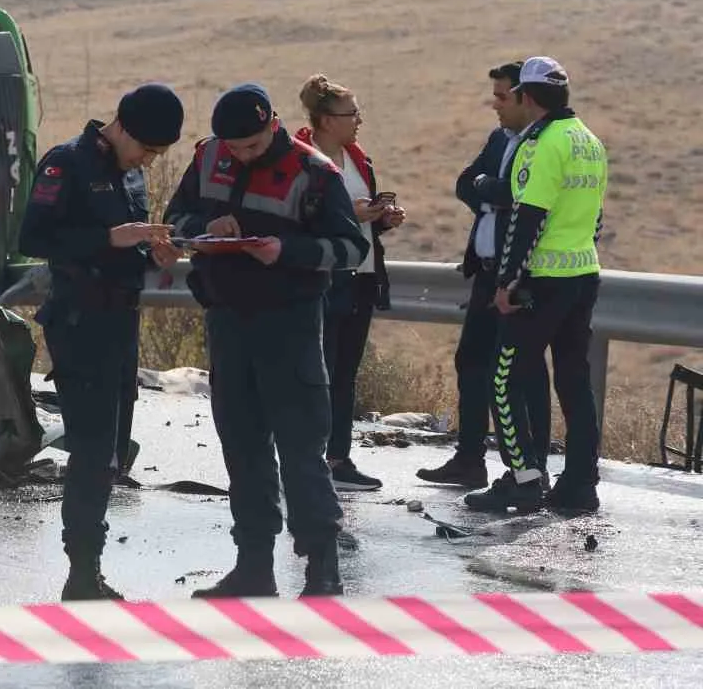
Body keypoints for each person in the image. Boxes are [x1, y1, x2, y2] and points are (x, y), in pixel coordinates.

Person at [164, 83, 368, 598]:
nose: (241, 155)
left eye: (252, 146)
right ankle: (253, 566)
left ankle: (322, 568)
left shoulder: (315, 171)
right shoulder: (209, 157)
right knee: (243, 447)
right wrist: (206, 226)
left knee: (302, 450)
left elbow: (349, 249)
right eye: (233, 147)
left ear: (273, 125)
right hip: (227, 320)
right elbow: (174, 221)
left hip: (290, 325)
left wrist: (287, 250)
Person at [18, 83, 186, 601]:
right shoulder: (66, 164)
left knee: (110, 451)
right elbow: (34, 238)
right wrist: (110, 238)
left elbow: (128, 245)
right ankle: (82, 571)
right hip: (78, 322)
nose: (150, 161)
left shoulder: (131, 173)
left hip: (121, 323)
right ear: (124, 128)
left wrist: (152, 254)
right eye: (148, 149)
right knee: (91, 451)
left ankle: (90, 567)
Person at [465, 56, 608, 514]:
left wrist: (508, 282)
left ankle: (524, 477)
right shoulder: (589, 140)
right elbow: (597, 218)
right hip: (583, 274)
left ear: (527, 97)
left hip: (542, 281)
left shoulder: (541, 144)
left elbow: (528, 219)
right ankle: (581, 483)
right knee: (574, 380)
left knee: (503, 378)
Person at [418, 62, 553, 490]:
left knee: (523, 373)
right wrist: (491, 192)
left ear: (524, 97)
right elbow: (466, 183)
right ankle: (469, 459)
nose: (494, 105)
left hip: (521, 277)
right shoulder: (499, 139)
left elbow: (520, 198)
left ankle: (533, 469)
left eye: (501, 96)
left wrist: (495, 192)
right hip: (486, 273)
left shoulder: (542, 143)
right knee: (471, 361)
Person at [293, 75, 406, 493]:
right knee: (314, 373)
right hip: (321, 279)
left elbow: (358, 223)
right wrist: (352, 217)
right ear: (325, 120)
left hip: (360, 277)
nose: (359, 120)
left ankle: (338, 458)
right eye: (351, 113)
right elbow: (297, 221)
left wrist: (381, 220)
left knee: (345, 374)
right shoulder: (300, 160)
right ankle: (305, 457)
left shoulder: (360, 161)